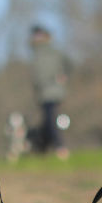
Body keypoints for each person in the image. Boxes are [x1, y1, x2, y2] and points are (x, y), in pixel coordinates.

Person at [29, 25, 71, 160]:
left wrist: (64, 75)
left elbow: (69, 64)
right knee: (47, 121)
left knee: (50, 119)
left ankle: (60, 147)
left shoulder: (53, 52)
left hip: (53, 91)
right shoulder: (35, 53)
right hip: (42, 92)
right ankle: (42, 148)